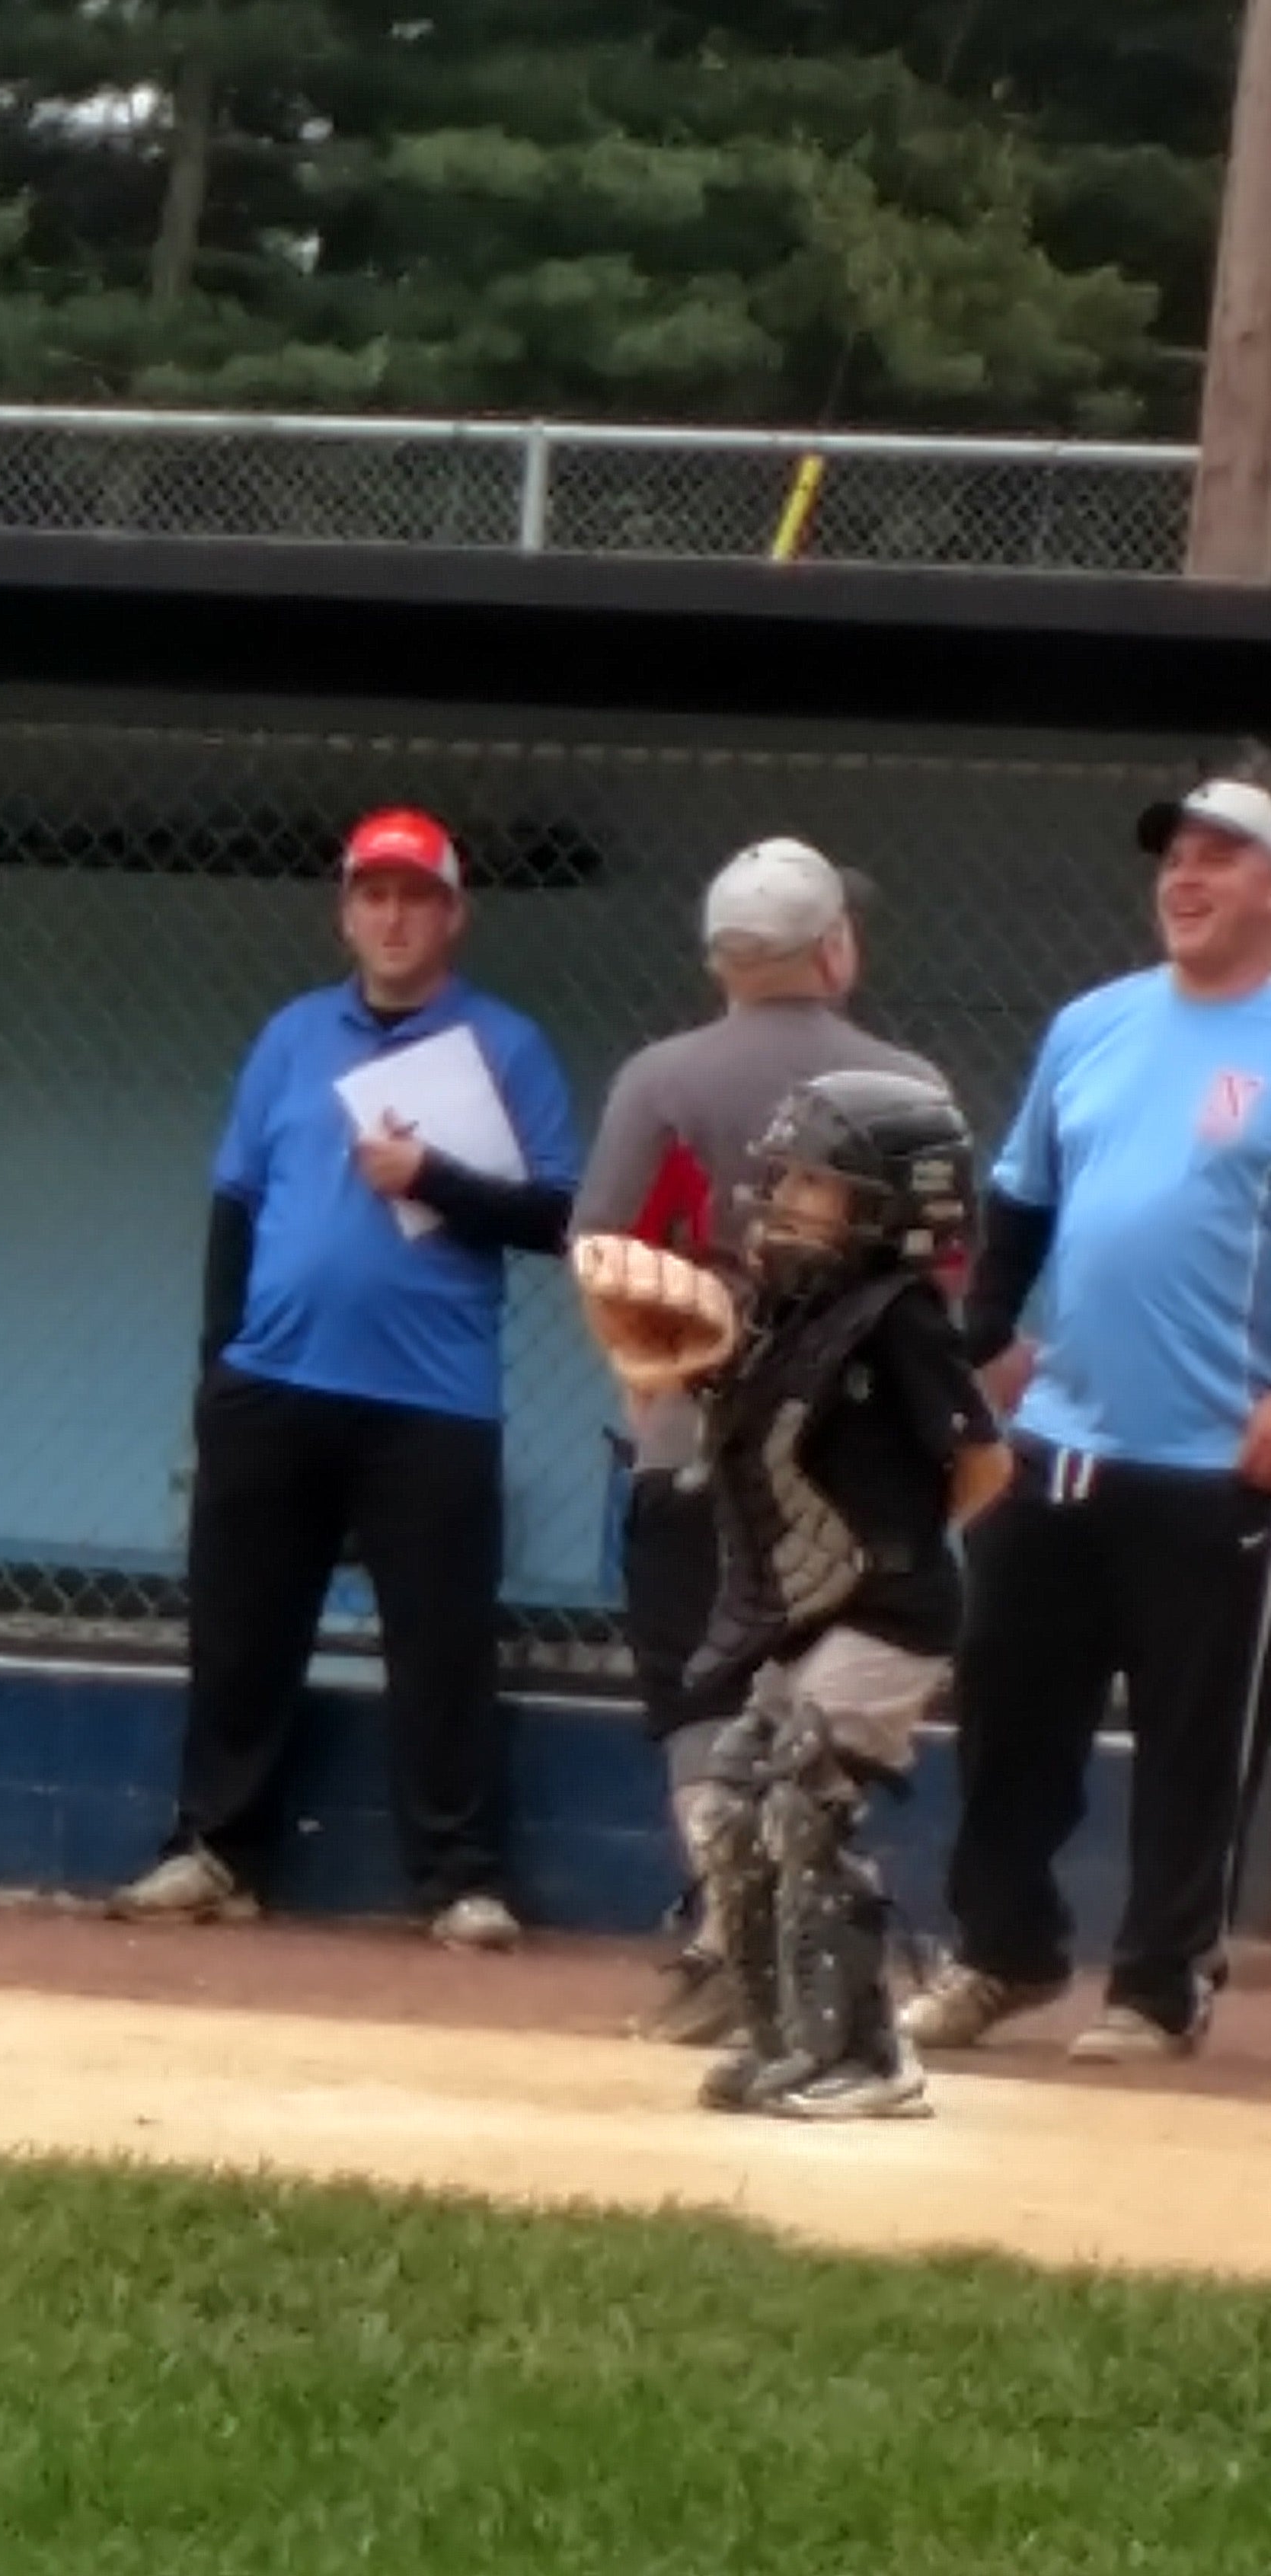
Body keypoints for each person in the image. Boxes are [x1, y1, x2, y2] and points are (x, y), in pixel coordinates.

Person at [114, 808, 580, 1947]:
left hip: (430, 1397)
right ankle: (217, 1850)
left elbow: (560, 1214)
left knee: (441, 1644)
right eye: (373, 895)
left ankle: (459, 1879)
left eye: (416, 896)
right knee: (241, 1629)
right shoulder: (292, 1037)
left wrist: (437, 1174)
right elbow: (237, 1199)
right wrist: (220, 1362)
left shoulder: (504, 1046)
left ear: (453, 916)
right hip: (274, 1384)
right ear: (345, 911)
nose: (392, 916)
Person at [907, 762, 1271, 2066]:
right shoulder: (1091, 1023)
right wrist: (975, 1359)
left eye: (1217, 855)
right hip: (1053, 1444)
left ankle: (1156, 1980)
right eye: (1171, 854)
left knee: (1187, 1737)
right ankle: (998, 1951)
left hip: (1212, 1460)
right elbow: (1017, 1209)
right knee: (1006, 1708)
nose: (1181, 876)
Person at [579, 1075, 1006, 2121]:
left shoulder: (904, 1320)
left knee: (803, 1803)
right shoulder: (791, 1308)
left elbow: (983, 1465)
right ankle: (787, 2043)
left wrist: (894, 1534)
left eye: (816, 1183)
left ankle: (869, 2058)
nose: (786, 1199)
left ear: (889, 1206)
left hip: (888, 1612)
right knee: (731, 1803)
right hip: (805, 1613)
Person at [572, 842, 940, 2044]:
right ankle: (795, 1938)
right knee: (819, 1702)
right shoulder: (906, 1081)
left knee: (706, 1691)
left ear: (721, 958)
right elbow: (945, 1270)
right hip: (858, 1453)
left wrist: (650, 1373)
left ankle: (732, 1937)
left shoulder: (661, 1078)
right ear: (833, 947)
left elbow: (604, 1249)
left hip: (699, 1436)